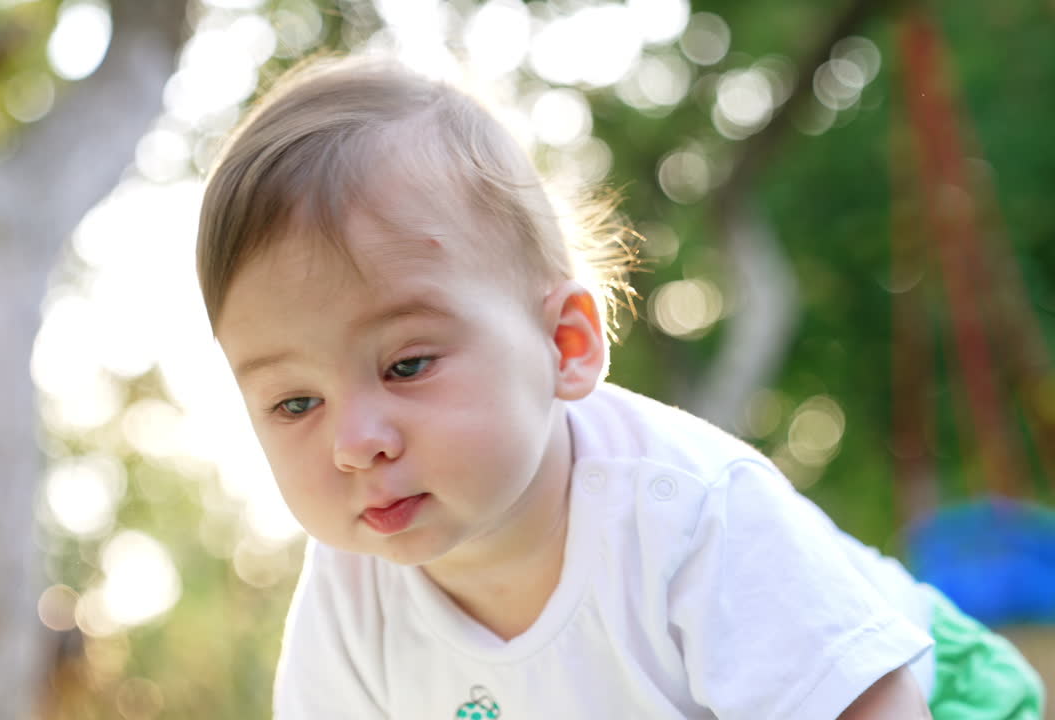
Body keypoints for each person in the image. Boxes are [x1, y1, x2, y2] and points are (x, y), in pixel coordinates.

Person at [194, 56, 1044, 719]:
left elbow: (871, 705)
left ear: (564, 344)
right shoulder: (352, 592)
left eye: (406, 364)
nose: (355, 442)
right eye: (294, 402)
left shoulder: (689, 511)